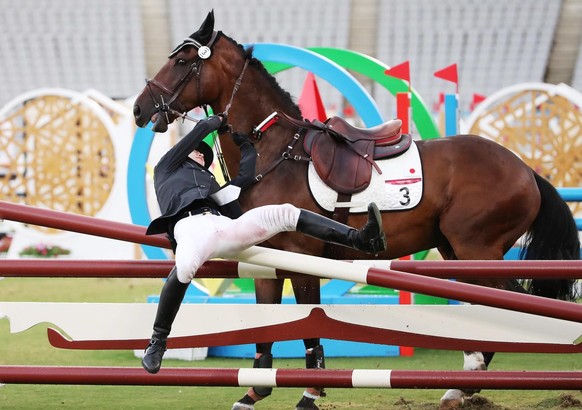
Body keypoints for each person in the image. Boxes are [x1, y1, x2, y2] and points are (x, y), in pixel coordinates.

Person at [141, 113, 387, 374]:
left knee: (285, 212)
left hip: (224, 227)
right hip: (189, 228)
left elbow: (242, 181)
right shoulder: (166, 167)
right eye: (198, 154)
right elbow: (200, 129)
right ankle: (157, 342)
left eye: (205, 156)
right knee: (186, 266)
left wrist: (245, 145)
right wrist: (218, 120)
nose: (202, 157)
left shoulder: (209, 185)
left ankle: (360, 238)